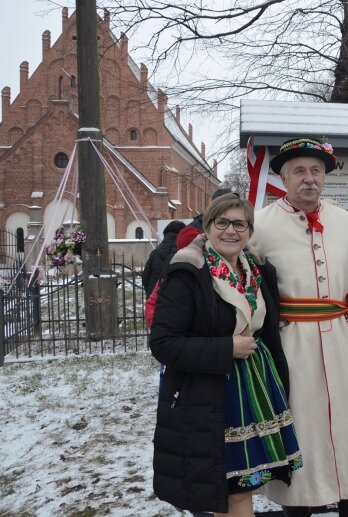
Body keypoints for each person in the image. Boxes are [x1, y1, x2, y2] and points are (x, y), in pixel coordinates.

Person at [149, 194, 301, 516]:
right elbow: (163, 343)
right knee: (230, 490)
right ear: (208, 226)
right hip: (212, 396)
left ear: (249, 230)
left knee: (240, 488)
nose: (231, 231)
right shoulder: (188, 272)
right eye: (222, 223)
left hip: (257, 389)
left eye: (240, 224)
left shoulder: (256, 271)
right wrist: (226, 347)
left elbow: (267, 331)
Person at [249, 137, 348, 515]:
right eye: (299, 171)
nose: (309, 178)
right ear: (283, 178)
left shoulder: (342, 219)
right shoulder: (261, 223)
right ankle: (297, 507)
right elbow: (248, 284)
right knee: (301, 431)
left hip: (339, 341)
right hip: (291, 345)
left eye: (316, 171)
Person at [141, 220, 185, 298]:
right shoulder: (186, 253)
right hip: (179, 300)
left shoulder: (155, 253)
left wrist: (150, 293)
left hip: (156, 300)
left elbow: (145, 278)